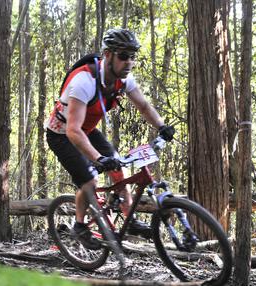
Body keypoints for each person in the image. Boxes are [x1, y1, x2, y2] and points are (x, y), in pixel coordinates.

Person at [46, 28, 175, 250]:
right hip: (62, 134)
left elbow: (143, 106)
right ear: (107, 55)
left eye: (132, 56)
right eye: (123, 56)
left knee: (119, 168)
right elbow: (73, 131)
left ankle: (129, 219)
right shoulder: (84, 82)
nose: (129, 62)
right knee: (90, 179)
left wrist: (162, 126)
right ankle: (79, 226)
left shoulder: (124, 80)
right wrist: (98, 158)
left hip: (86, 129)